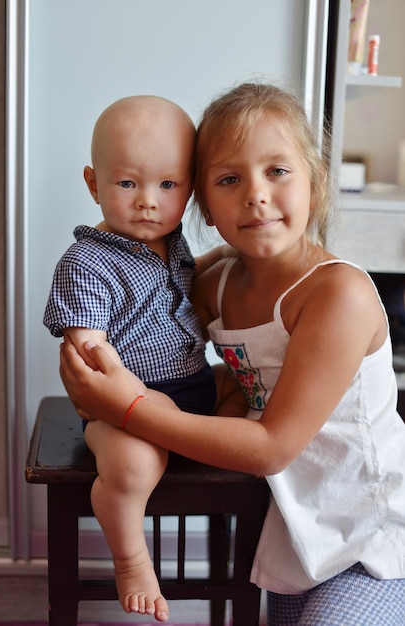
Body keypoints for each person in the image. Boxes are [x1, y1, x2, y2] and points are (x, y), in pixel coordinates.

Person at [59, 83, 405, 625]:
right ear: (201, 206)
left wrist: (126, 407)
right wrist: (91, 369)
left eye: (278, 171)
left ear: (314, 182)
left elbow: (271, 447)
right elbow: (132, 293)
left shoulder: (338, 295)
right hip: (293, 533)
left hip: (371, 535)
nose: (256, 195)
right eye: (228, 179)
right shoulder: (216, 283)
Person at [43, 95, 245, 622]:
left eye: (168, 185)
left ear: (189, 189)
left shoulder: (171, 245)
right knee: (135, 464)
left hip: (194, 388)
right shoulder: (88, 261)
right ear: (94, 184)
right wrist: (139, 402)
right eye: (128, 183)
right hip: (122, 405)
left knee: (252, 389)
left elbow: (186, 285)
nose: (148, 201)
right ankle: (131, 558)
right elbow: (90, 353)